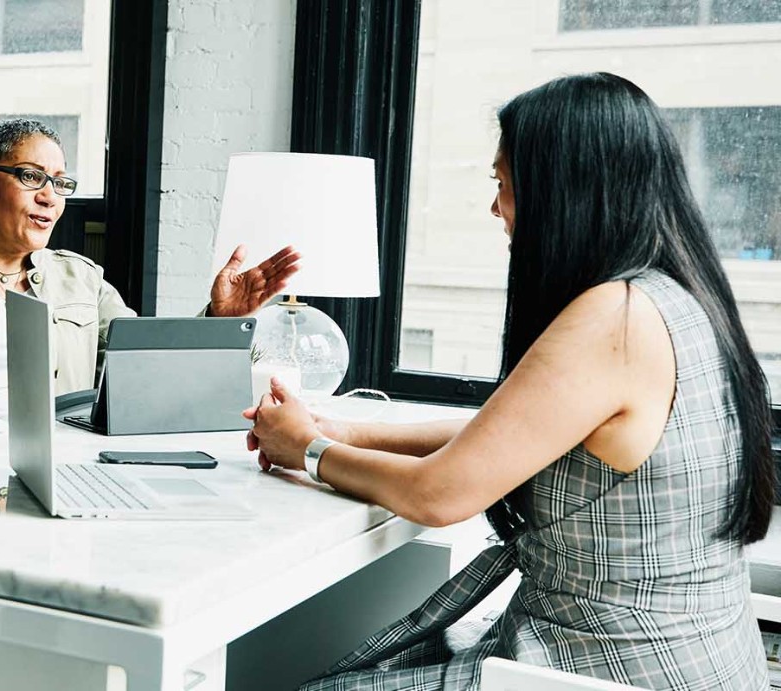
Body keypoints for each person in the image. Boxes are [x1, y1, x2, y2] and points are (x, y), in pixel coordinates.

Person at [246, 73, 774, 690]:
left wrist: (306, 450)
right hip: (707, 660)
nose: (494, 207)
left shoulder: (615, 319)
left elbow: (437, 497)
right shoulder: (681, 296)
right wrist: (342, 428)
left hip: (605, 669)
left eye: (502, 183)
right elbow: (517, 436)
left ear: (564, 189)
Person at [0, 118, 300, 458]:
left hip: (44, 462)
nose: (50, 196)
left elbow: (146, 364)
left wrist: (222, 320)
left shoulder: (81, 277)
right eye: (31, 177)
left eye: (59, 182)